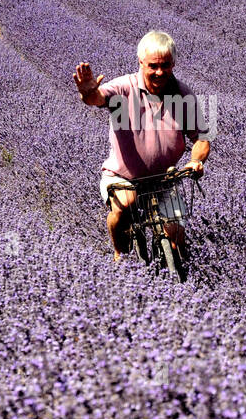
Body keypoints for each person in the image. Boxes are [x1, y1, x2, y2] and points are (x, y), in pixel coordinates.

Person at [74, 31, 213, 263]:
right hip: (122, 176)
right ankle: (121, 255)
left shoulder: (183, 94)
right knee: (124, 207)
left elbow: (202, 138)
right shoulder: (124, 88)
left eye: (166, 65)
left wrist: (195, 161)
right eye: (153, 66)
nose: (160, 72)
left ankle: (176, 279)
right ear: (141, 62)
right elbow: (98, 98)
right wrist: (87, 91)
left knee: (177, 240)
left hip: (165, 179)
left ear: (173, 64)